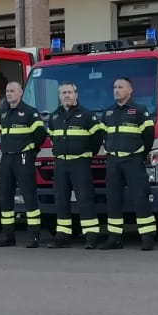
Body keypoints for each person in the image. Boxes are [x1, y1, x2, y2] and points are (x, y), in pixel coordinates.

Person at [99, 77, 156, 251]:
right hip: (113, 162)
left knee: (140, 198)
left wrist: (139, 153)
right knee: (113, 200)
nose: (116, 90)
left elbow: (149, 137)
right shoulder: (108, 112)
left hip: (133, 161)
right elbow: (103, 136)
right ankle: (114, 238)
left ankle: (147, 238)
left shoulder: (139, 110)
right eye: (115, 87)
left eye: (120, 87)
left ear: (130, 90)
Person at [46, 81, 104, 249]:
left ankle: (91, 236)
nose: (66, 95)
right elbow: (52, 138)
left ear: (76, 95)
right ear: (59, 96)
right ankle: (62, 235)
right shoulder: (54, 116)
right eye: (63, 93)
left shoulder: (86, 115)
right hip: (60, 164)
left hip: (80, 163)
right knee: (61, 200)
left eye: (69, 92)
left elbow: (97, 138)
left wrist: (87, 154)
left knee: (85, 199)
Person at [0, 80, 45, 248]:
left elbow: (40, 135)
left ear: (21, 93)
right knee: (5, 196)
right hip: (7, 158)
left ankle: (34, 236)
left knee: (28, 196)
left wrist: (30, 150)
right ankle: (7, 235)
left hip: (23, 157)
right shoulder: (3, 113)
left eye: (12, 91)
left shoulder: (30, 112)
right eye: (7, 91)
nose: (9, 94)